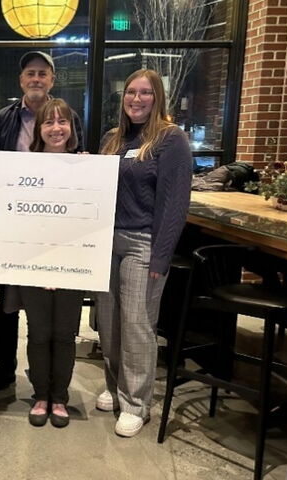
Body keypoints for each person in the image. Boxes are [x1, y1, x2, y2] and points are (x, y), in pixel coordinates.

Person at [0, 51, 84, 396]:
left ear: (52, 80)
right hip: (15, 225)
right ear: (21, 80)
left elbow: (81, 158)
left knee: (52, 316)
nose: (36, 79)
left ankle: (53, 385)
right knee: (9, 305)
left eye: (43, 73)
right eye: (30, 74)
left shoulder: (68, 117)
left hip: (56, 229)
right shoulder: (5, 118)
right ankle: (4, 370)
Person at [96, 69, 192, 437]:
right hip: (106, 241)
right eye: (131, 92)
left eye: (145, 93)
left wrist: (161, 257)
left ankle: (137, 403)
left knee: (137, 323)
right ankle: (114, 385)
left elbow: (174, 203)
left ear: (158, 98)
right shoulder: (112, 138)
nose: (136, 99)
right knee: (109, 320)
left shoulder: (171, 140)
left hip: (142, 243)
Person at [19, 99, 86, 428]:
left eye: (63, 122)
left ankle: (60, 397)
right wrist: (44, 265)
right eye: (49, 122)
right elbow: (21, 221)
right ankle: (41, 395)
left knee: (64, 335)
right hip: (35, 266)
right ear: (38, 129)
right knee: (39, 334)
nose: (56, 128)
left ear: (71, 128)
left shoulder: (86, 167)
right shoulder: (25, 169)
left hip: (73, 266)